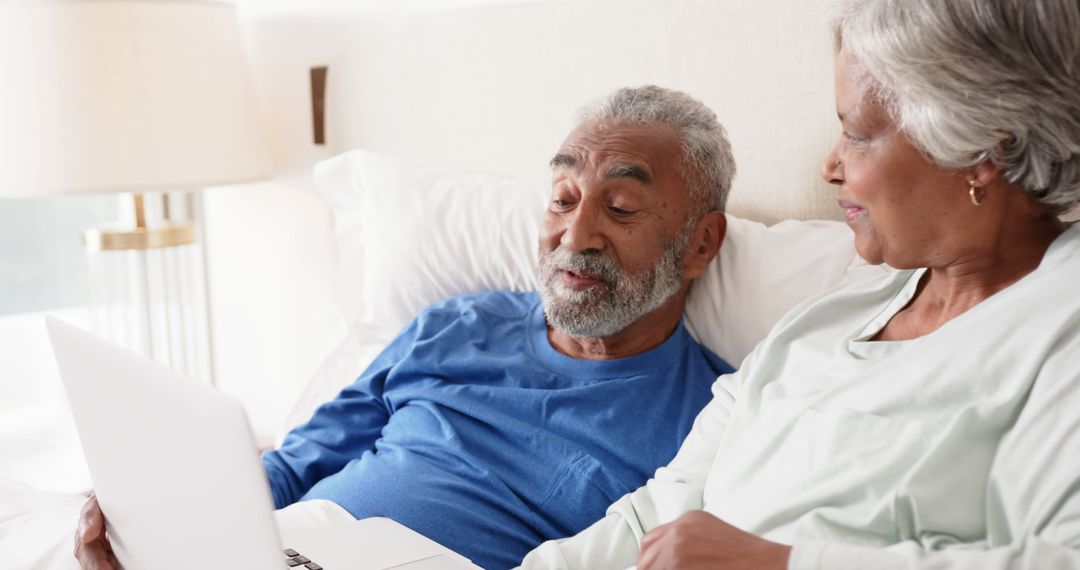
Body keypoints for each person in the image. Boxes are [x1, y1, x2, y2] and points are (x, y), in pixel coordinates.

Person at [74, 85, 738, 570]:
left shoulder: (714, 420)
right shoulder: (454, 326)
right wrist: (157, 521)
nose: (576, 234)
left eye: (619, 207)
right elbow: (293, 466)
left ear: (701, 244)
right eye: (562, 199)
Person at [518, 0, 1080, 568]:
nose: (830, 166)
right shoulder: (822, 322)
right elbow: (657, 514)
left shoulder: (1059, 326)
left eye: (856, 135)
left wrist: (779, 563)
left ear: (983, 150)